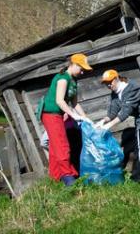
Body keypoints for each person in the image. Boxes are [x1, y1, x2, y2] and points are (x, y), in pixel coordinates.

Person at [96, 69, 140, 183]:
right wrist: (102, 121)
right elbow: (112, 113)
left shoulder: (131, 88)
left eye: (110, 82)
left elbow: (125, 113)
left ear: (116, 79)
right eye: (106, 83)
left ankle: (137, 178)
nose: (108, 85)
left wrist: (108, 126)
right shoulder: (115, 94)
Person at [40, 53, 93, 186]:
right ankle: (69, 179)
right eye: (81, 68)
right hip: (50, 114)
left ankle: (55, 178)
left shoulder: (73, 81)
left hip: (57, 114)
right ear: (74, 64)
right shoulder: (63, 78)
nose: (82, 72)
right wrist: (74, 115)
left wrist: (86, 118)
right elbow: (59, 101)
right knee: (62, 146)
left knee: (54, 147)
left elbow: (75, 103)